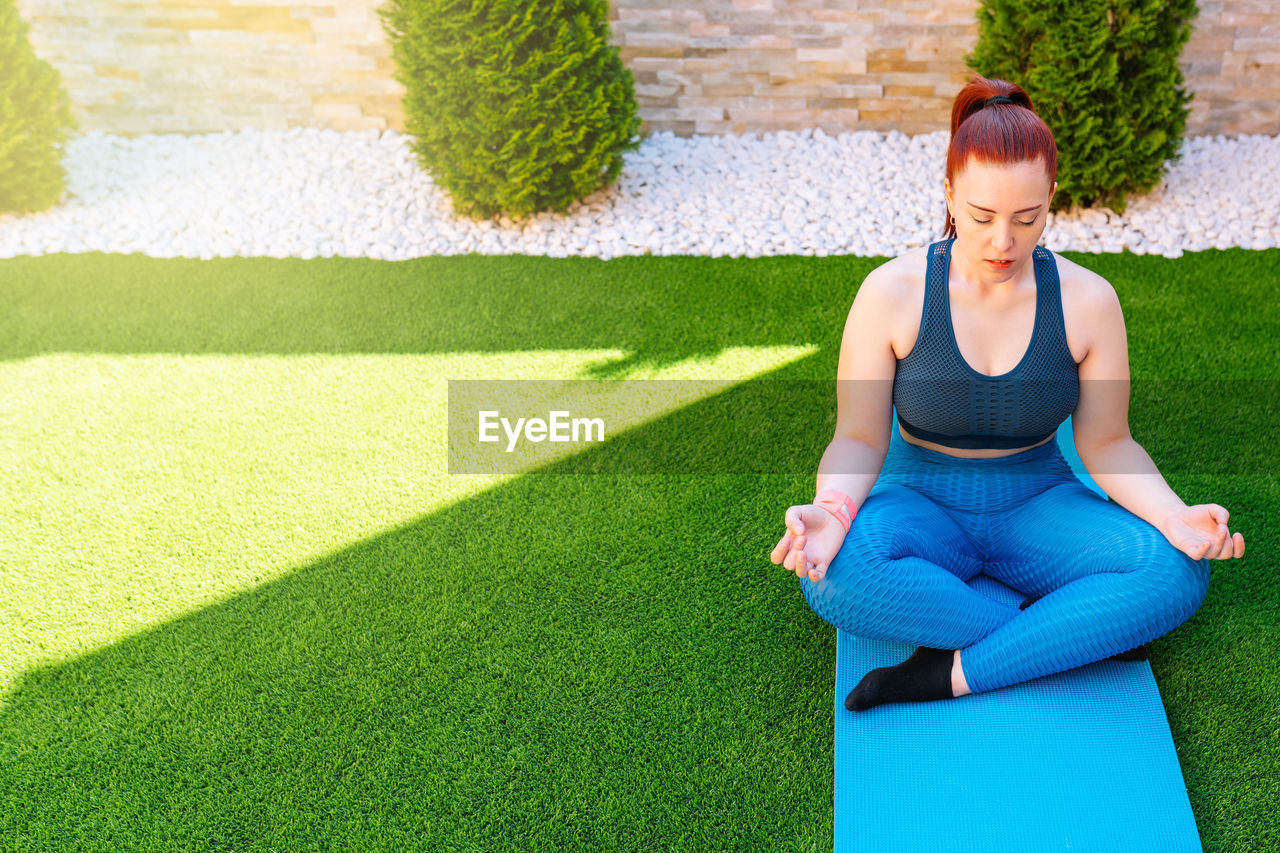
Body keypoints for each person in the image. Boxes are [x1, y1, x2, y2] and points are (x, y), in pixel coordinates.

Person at [769, 75, 1246, 713]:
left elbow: (1107, 441)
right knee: (832, 576)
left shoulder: (1088, 301)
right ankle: (1067, 632)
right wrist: (832, 513)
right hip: (920, 504)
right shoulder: (892, 292)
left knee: (1175, 571)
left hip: (1038, 503)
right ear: (949, 195)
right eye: (981, 216)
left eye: (1027, 219)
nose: (1003, 241)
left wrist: (1172, 514)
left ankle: (950, 674)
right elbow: (858, 437)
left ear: (1051, 199)